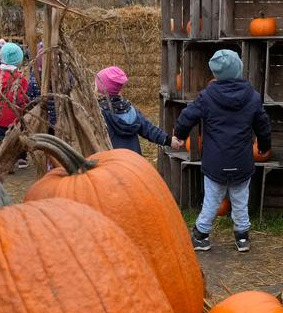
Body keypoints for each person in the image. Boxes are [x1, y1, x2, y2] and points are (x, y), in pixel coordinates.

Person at [173, 49, 271, 253]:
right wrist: (263, 147)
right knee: (240, 199)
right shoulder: (252, 97)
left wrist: (180, 136)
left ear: (215, 74)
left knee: (212, 200)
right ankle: (242, 237)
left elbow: (186, 116)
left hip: (215, 162)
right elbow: (263, 125)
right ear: (239, 69)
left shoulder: (207, 96)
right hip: (242, 160)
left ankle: (201, 235)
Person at [94, 66, 178, 154]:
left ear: (101, 89)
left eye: (96, 84)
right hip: (134, 160)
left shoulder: (99, 112)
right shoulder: (129, 109)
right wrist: (168, 140)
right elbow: (148, 128)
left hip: (113, 161)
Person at [0, 42, 28, 167]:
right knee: (20, 136)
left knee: (4, 137)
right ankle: (21, 158)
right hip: (17, 115)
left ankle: (6, 160)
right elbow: (22, 97)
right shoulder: (19, 77)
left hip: (0, 115)